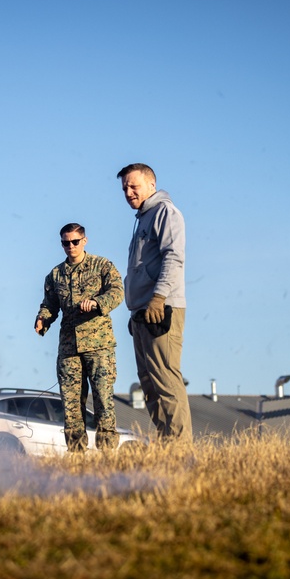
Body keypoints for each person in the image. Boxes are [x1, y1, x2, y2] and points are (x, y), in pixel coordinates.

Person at [117, 163, 193, 441]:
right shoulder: (142, 219)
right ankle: (167, 444)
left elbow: (174, 256)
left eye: (133, 186)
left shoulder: (165, 212)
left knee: (166, 379)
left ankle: (181, 450)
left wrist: (158, 298)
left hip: (161, 307)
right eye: (124, 187)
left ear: (152, 185)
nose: (128, 192)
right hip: (141, 312)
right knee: (149, 384)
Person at [35, 223, 125, 453]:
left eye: (75, 242)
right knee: (71, 405)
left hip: (99, 345)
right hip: (69, 349)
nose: (70, 246)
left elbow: (117, 291)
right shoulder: (55, 275)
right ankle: (76, 455)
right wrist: (43, 319)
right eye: (66, 243)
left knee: (103, 400)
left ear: (84, 241)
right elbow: (50, 305)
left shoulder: (102, 266)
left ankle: (107, 454)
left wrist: (97, 303)